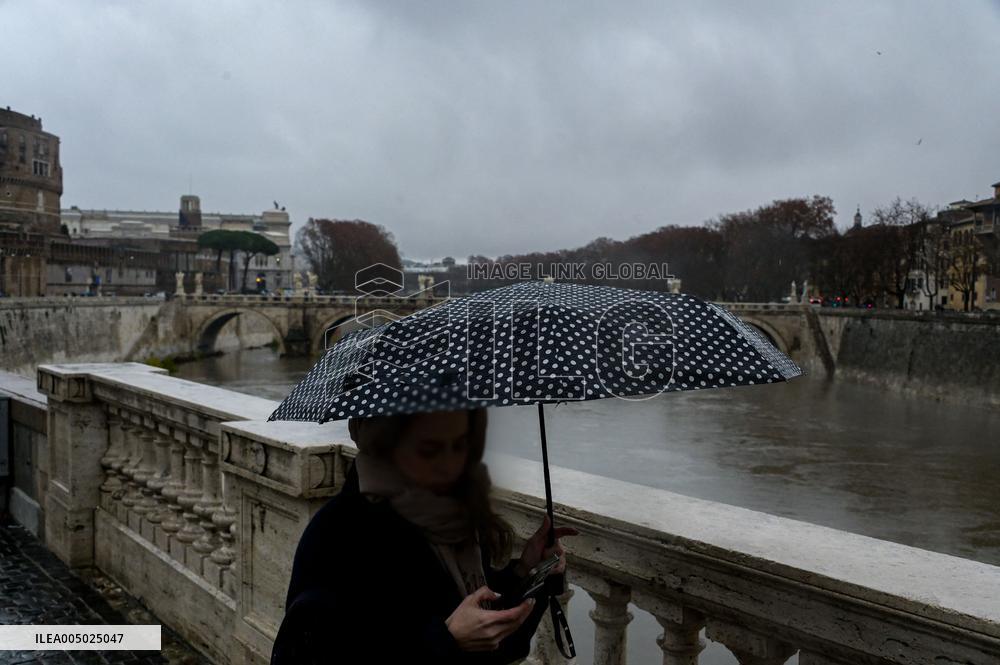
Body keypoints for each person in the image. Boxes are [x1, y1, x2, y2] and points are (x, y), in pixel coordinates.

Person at [270, 408, 578, 664]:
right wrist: (446, 640)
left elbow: (485, 625)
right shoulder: (339, 534)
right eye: (429, 448)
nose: (450, 465)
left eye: (459, 445)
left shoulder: (456, 520)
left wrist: (528, 573)